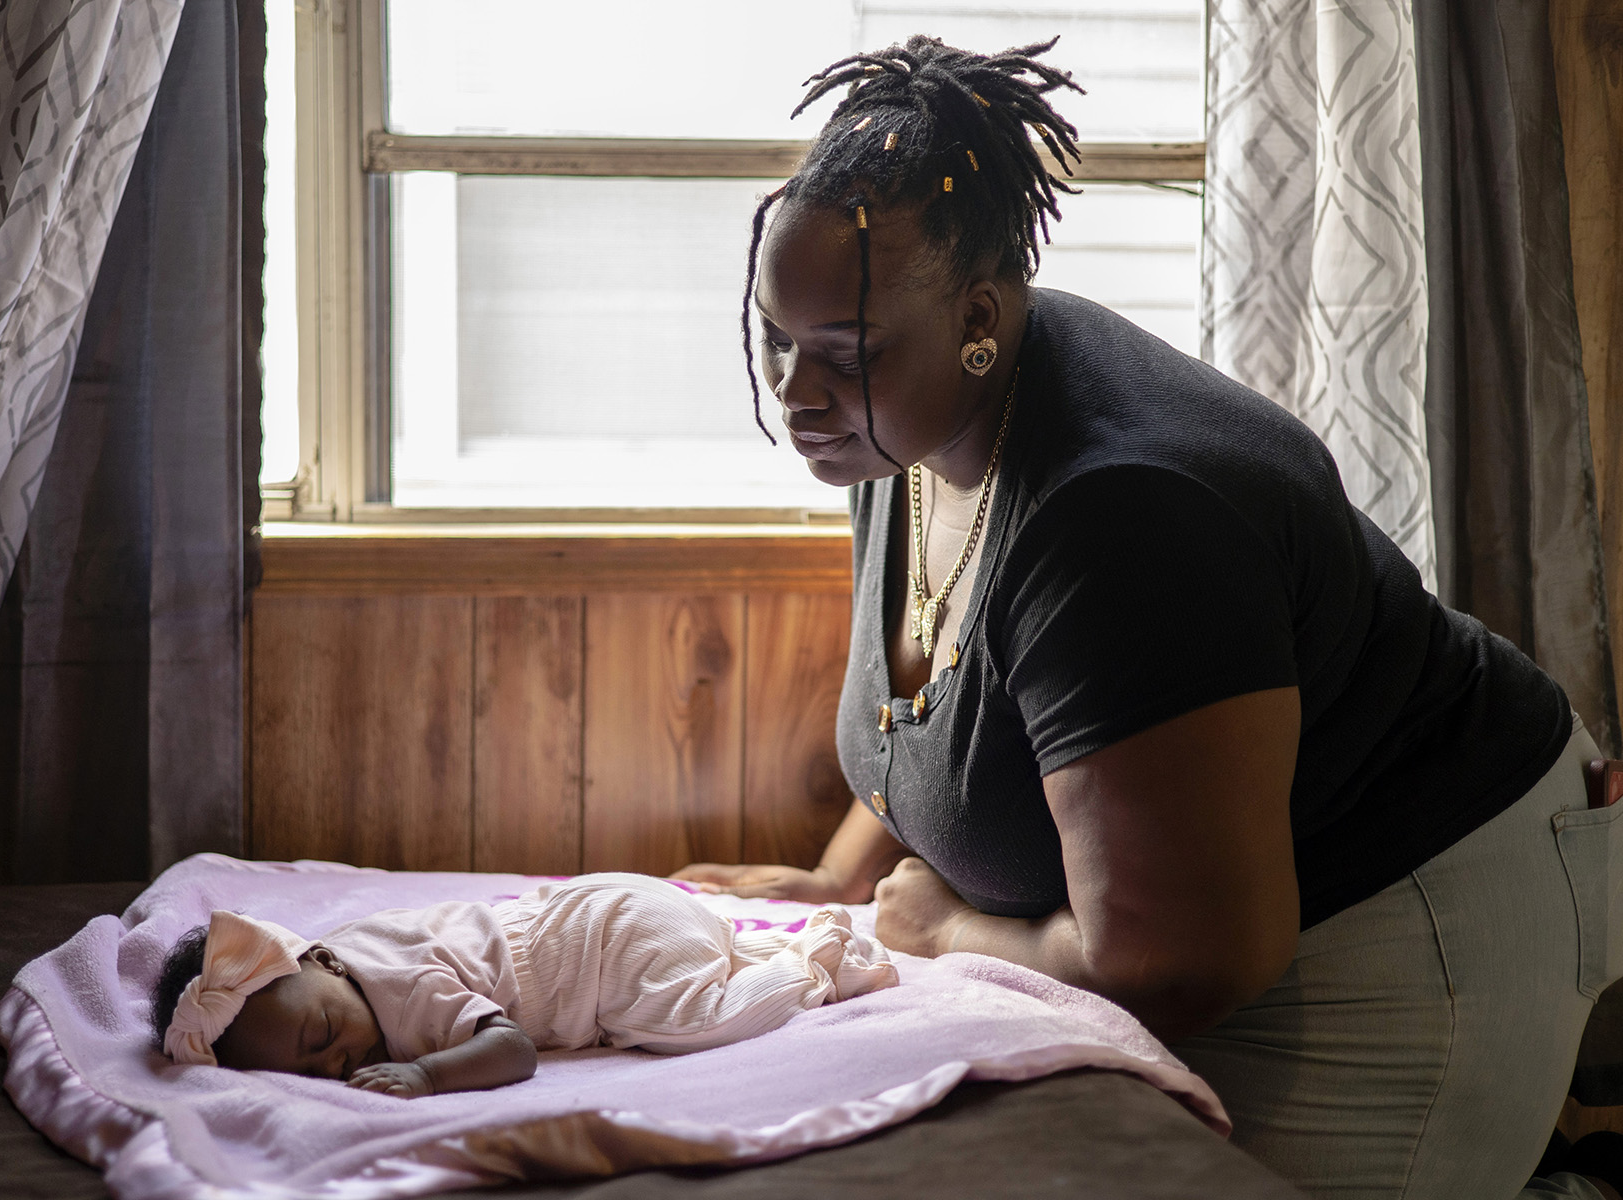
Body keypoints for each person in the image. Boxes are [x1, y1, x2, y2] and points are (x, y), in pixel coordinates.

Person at [674, 34, 1623, 1200]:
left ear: (979, 314)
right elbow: (940, 706)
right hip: (1203, 924)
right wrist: (838, 884)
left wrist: (940, 929)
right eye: (776, 336)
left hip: (1413, 906)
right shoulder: (902, 427)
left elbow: (1182, 961)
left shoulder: (1118, 517)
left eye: (843, 351)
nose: (793, 392)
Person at [152, 873, 897, 1096]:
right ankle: (741, 950)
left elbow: (512, 1051)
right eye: (307, 1070)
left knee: (688, 1025)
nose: (332, 1064)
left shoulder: (401, 987)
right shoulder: (340, 969)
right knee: (689, 974)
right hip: (609, 911)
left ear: (324, 963)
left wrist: (425, 1072)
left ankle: (814, 966)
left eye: (321, 1036)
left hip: (604, 944)